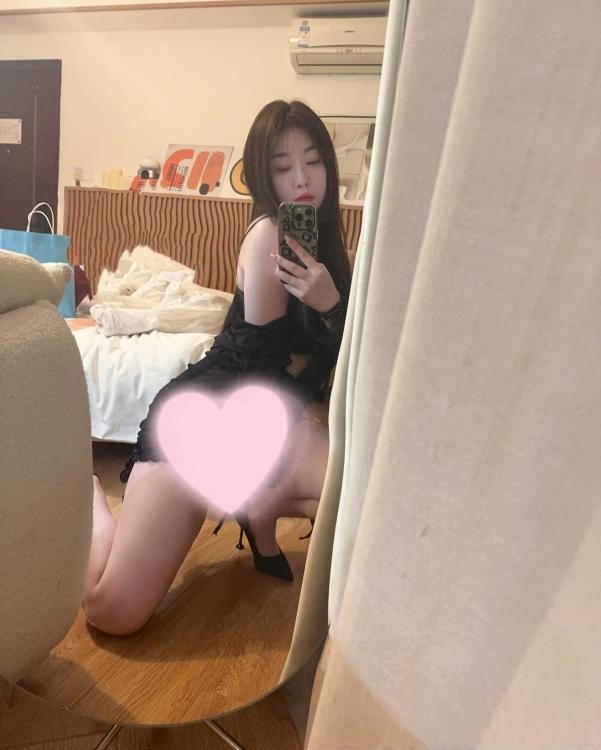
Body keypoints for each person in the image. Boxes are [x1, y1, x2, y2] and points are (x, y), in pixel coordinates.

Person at [84, 100, 352, 636]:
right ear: (263, 177)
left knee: (351, 490)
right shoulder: (269, 236)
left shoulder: (328, 247)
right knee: (109, 611)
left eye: (313, 161)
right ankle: (88, 495)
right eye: (283, 167)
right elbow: (260, 369)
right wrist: (330, 319)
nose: (302, 179)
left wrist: (331, 304)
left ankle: (259, 510)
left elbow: (346, 355)